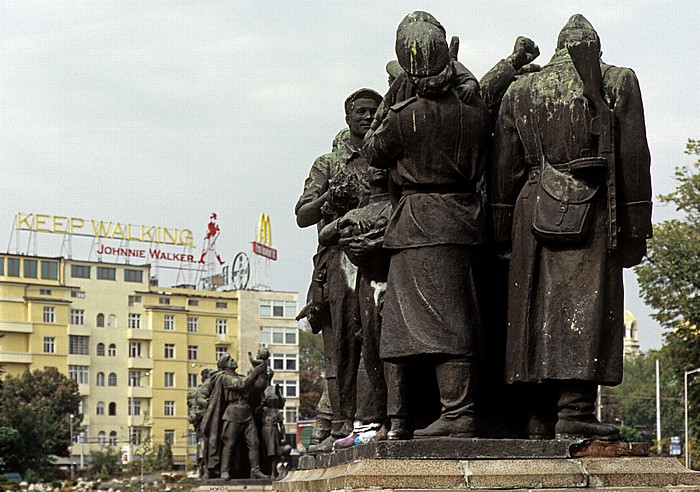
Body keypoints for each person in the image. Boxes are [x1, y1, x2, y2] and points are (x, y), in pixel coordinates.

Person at [489, 14, 652, 440]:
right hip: (593, 207)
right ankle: (576, 410)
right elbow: (635, 159)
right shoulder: (617, 81)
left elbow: (502, 169)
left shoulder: (519, 90)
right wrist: (637, 228)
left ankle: (538, 414)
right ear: (595, 47)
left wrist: (502, 228)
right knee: (585, 308)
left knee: (533, 311)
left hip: (531, 209)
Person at [365, 12, 492, 439]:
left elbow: (373, 150)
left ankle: (434, 416)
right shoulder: (474, 113)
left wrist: (394, 91)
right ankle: (439, 412)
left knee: (408, 328)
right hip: (460, 221)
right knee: (454, 317)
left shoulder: (403, 116)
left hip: (417, 225)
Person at [295, 88, 383, 451]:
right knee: (343, 347)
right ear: (348, 118)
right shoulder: (328, 163)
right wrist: (329, 198)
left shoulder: (386, 153)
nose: (366, 116)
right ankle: (340, 425)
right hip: (340, 259)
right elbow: (302, 215)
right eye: (360, 111)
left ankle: (372, 419)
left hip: (379, 253)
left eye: (372, 111)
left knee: (375, 341)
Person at [202, 354, 268, 479]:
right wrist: (255, 372)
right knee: (229, 443)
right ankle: (224, 470)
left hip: (247, 412)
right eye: (230, 360)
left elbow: (257, 387)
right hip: (233, 412)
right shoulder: (224, 377)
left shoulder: (241, 377)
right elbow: (240, 385)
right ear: (225, 365)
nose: (233, 361)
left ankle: (255, 470)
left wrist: (261, 371)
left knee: (254, 442)